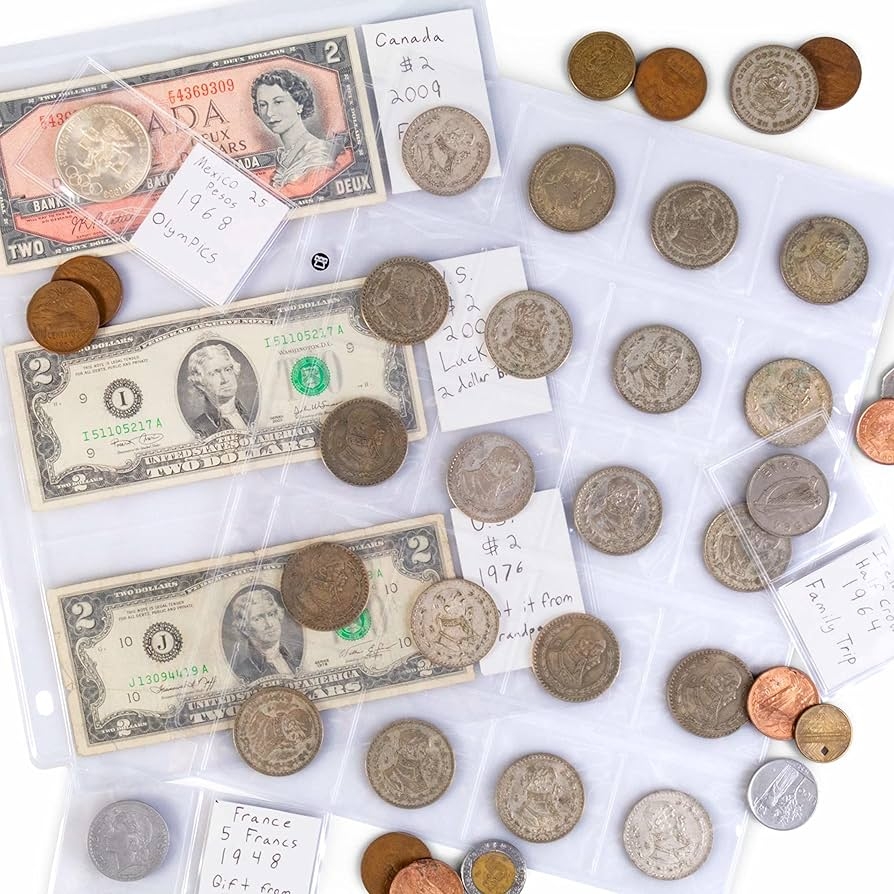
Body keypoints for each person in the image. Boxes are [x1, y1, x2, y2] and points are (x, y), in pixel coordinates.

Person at [251, 68, 338, 187]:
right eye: (262, 105)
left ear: (299, 104)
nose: (269, 113)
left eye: (278, 102)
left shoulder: (316, 154)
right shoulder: (283, 156)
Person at [228, 584, 302, 682]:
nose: (269, 624)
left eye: (271, 614)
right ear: (244, 629)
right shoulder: (243, 672)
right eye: (258, 619)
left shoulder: (297, 657)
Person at [185, 343, 253, 437]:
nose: (225, 379)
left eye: (228, 370)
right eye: (214, 373)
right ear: (200, 384)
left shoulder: (252, 415)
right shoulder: (199, 429)